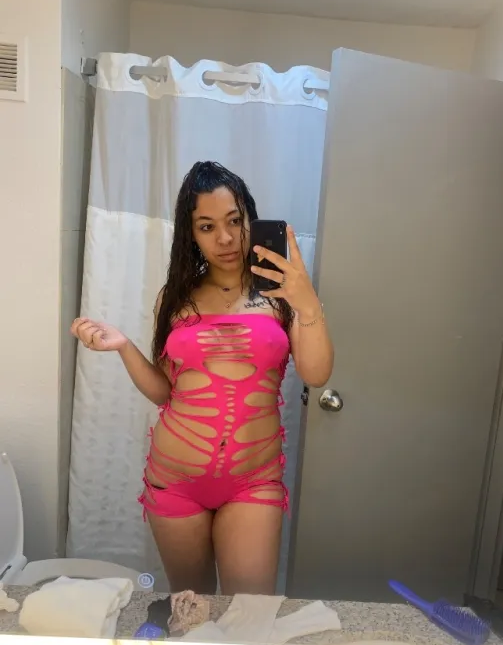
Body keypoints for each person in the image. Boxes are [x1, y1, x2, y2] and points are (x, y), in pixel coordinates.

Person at [71, 161, 334, 596]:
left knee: (248, 614)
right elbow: (165, 392)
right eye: (207, 226)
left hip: (253, 482)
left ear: (250, 219)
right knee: (191, 612)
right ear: (191, 234)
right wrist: (123, 346)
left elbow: (317, 373)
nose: (225, 238)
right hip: (175, 482)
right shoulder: (176, 298)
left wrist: (307, 304)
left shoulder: (282, 295)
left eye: (234, 221)